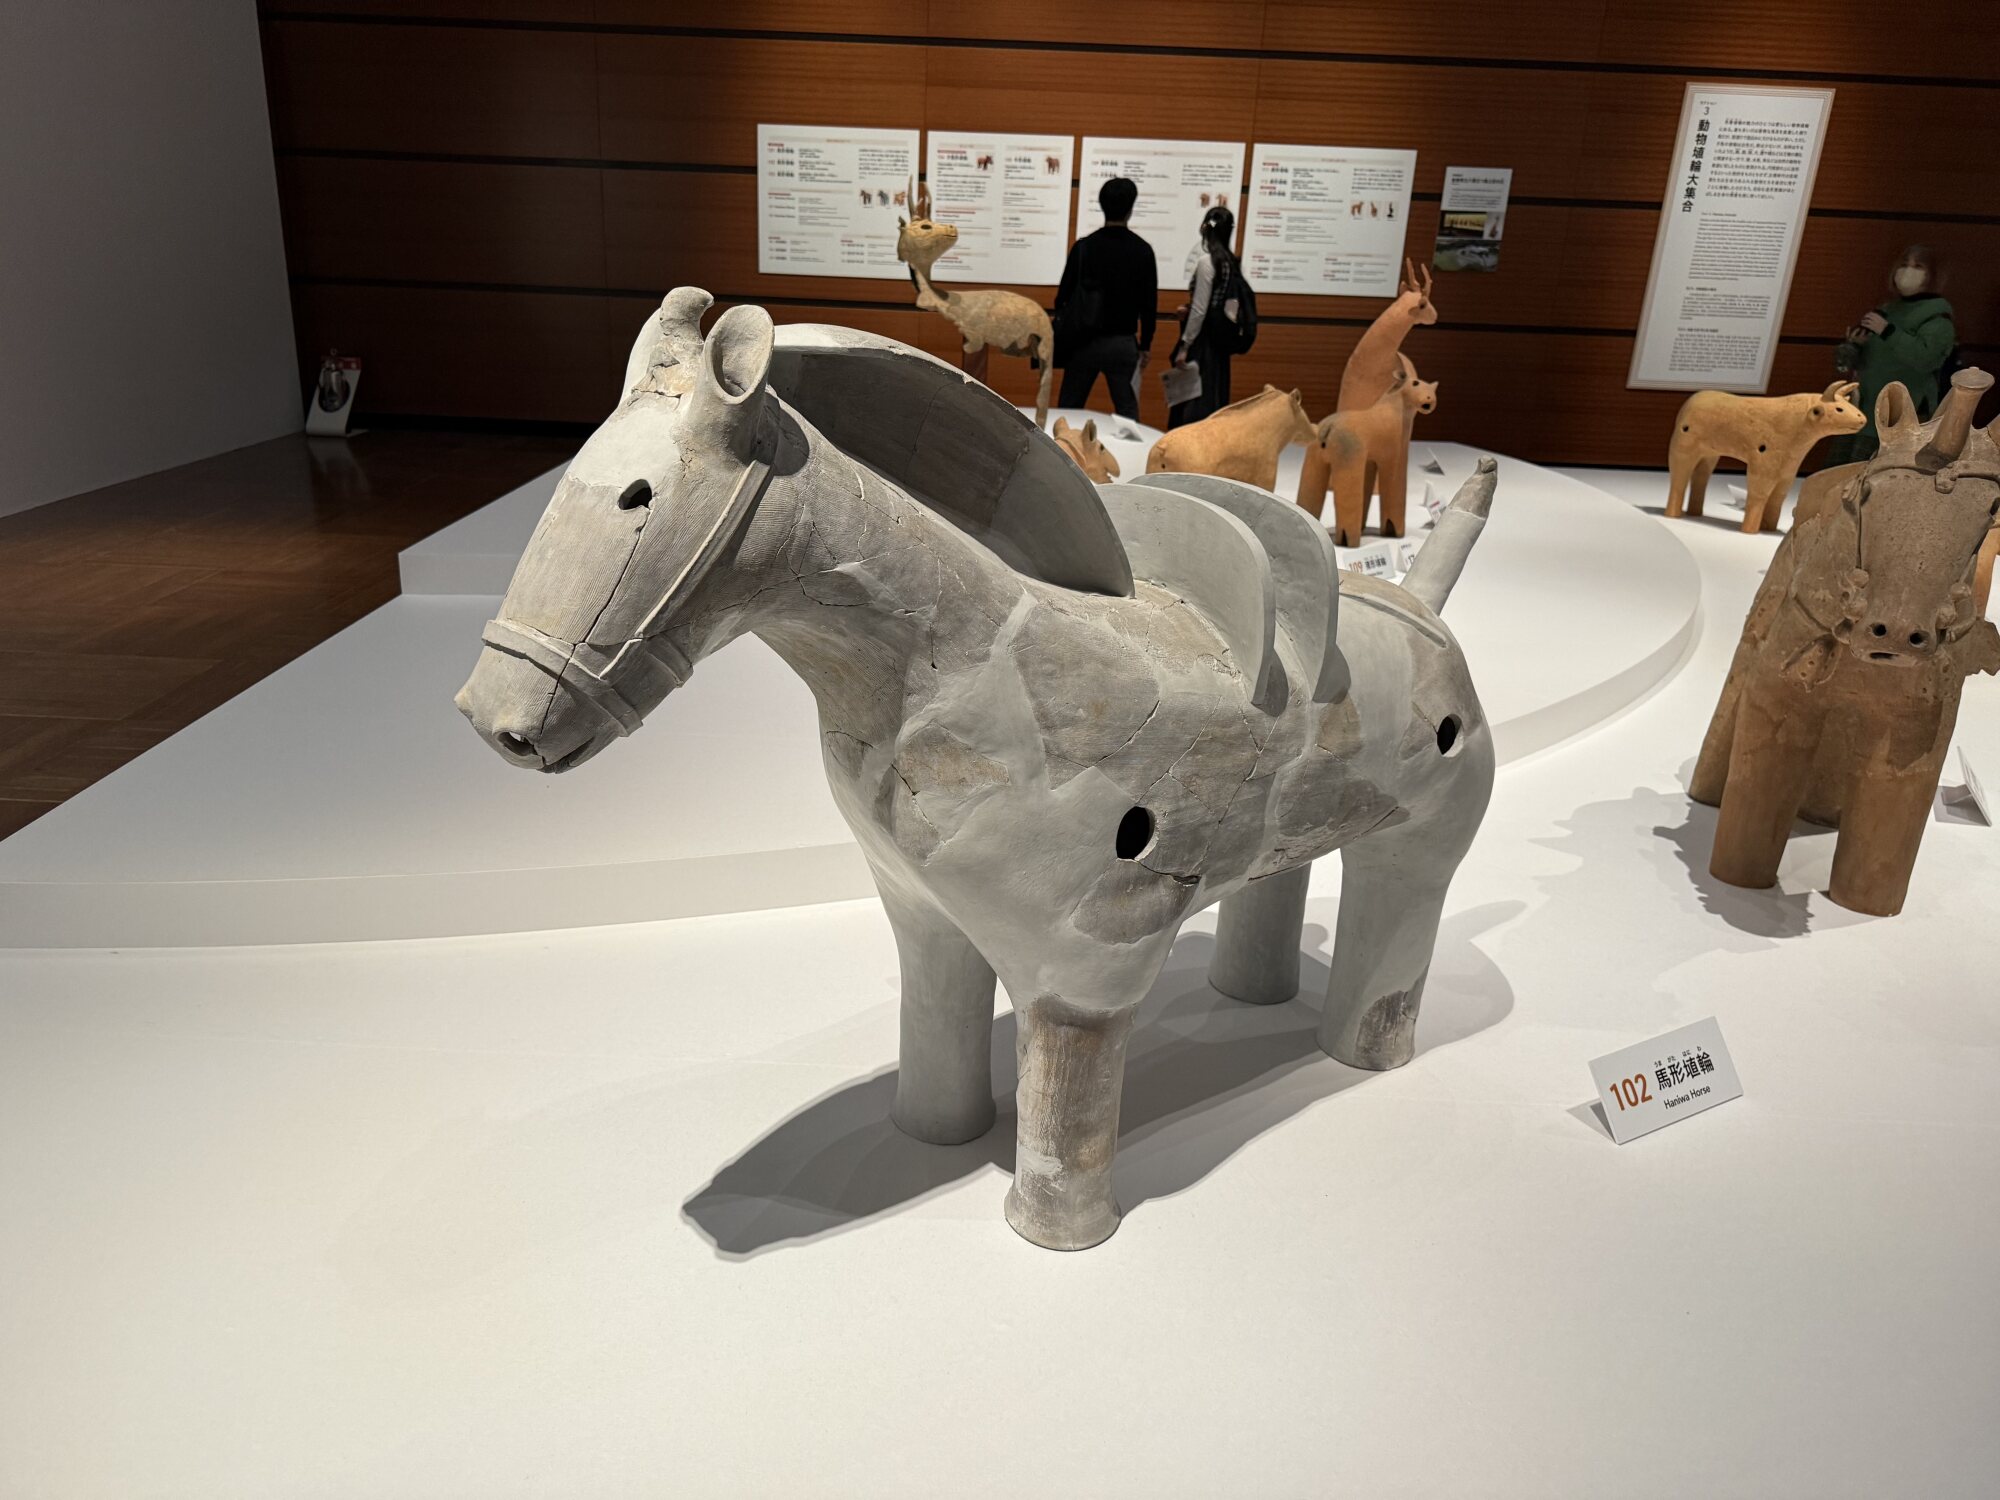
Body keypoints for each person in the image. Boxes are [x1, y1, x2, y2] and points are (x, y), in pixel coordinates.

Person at [1828, 244, 1956, 465]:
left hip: (1897, 416)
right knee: (1838, 471)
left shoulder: (1937, 318)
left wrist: (1888, 332)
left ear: (1933, 275)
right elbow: (1865, 360)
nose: (1908, 271)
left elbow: (1925, 359)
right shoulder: (1888, 310)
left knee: (1872, 473)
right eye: (1904, 264)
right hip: (1861, 408)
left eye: (1918, 266)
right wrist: (1855, 345)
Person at [1053, 177, 1157, 419]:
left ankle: (1063, 444)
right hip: (1122, 343)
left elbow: (1062, 298)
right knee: (1128, 414)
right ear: (1131, 208)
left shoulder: (1084, 247)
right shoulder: (1142, 251)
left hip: (1083, 341)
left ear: (1101, 205)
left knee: (1068, 410)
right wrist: (1145, 345)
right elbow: (1149, 305)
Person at [1168, 206, 1241, 428]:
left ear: (1205, 230)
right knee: (1214, 401)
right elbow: (1230, 308)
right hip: (1220, 345)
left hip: (1202, 344)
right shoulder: (1232, 263)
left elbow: (1200, 310)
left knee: (1190, 407)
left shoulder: (1207, 263)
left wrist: (1184, 346)